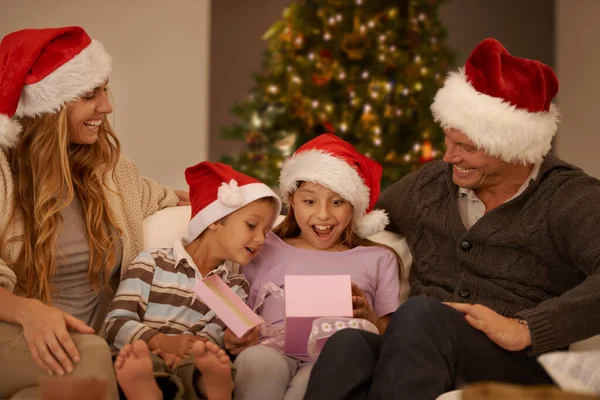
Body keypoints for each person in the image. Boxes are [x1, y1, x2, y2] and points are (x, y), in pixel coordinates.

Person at [303, 38, 600, 399]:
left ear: (514, 147)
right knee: (347, 344)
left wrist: (527, 327)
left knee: (419, 315)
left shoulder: (570, 197)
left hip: (519, 363)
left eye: (466, 147)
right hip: (421, 352)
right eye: (448, 140)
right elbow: (356, 217)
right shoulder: (430, 185)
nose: (449, 156)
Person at [0, 26, 187, 399]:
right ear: (48, 109)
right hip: (16, 334)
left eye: (105, 90)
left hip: (78, 356)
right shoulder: (4, 176)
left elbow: (170, 198)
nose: (107, 106)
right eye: (90, 95)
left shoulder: (111, 174)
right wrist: (26, 311)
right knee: (92, 358)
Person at [231, 134, 402, 400]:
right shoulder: (263, 246)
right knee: (258, 362)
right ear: (292, 200)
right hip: (270, 350)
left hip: (334, 360)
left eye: (337, 202)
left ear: (354, 205)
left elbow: (392, 341)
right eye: (309, 201)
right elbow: (237, 311)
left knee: (316, 380)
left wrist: (369, 317)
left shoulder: (379, 258)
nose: (323, 215)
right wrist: (236, 338)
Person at [104, 161, 282, 400]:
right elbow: (115, 323)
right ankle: (148, 389)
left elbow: (212, 337)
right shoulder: (151, 263)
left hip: (190, 363)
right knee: (144, 364)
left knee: (205, 365)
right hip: (144, 357)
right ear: (214, 220)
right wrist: (163, 342)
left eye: (266, 231)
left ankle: (213, 388)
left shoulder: (236, 287)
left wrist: (233, 339)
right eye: (252, 225)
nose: (260, 238)